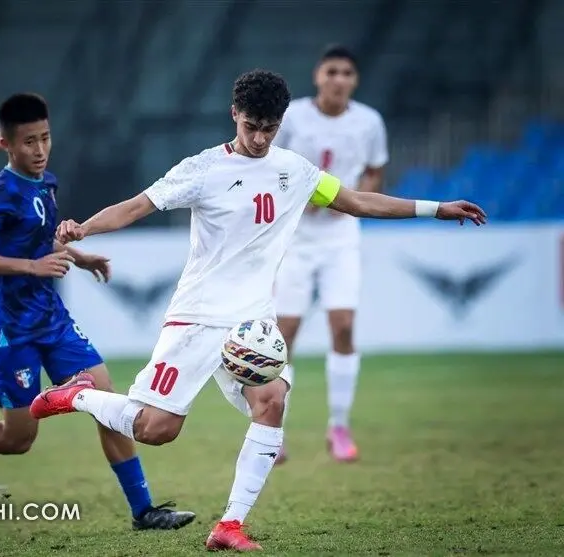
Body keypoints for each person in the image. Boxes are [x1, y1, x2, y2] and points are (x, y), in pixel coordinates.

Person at [29, 69, 486, 551]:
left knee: (272, 401)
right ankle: (78, 395)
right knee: (157, 430)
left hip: (251, 325)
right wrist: (86, 229)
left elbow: (355, 201)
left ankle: (230, 524)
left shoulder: (296, 170)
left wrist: (435, 208)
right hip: (196, 317)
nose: (260, 138)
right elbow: (138, 206)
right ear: (234, 115)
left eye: (270, 128)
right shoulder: (202, 169)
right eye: (252, 126)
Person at [0, 93, 196, 531]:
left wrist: (81, 258)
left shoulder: (46, 183)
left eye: (45, 138)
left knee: (108, 401)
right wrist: (32, 267)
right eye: (29, 142)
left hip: (50, 316)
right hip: (9, 326)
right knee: (17, 439)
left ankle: (144, 510)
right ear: (7, 144)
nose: (40, 149)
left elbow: (41, 240)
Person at [272, 45, 389, 464]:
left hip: (341, 236)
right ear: (318, 76)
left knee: (343, 328)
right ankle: (274, 430)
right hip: (295, 238)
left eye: (347, 73)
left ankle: (338, 426)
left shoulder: (369, 121)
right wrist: (295, 201)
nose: (338, 79)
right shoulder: (294, 118)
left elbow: (375, 168)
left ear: (354, 81)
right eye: (331, 71)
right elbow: (269, 165)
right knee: (284, 335)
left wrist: (353, 200)